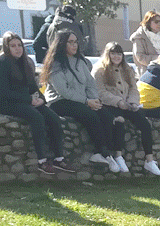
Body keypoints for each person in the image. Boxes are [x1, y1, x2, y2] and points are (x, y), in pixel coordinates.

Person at [42, 29, 121, 173]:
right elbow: (64, 91)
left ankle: (106, 152)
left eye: (76, 42)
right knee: (89, 115)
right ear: (61, 44)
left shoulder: (80, 61)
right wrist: (86, 102)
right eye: (70, 42)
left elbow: (90, 83)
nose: (74, 45)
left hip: (82, 100)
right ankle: (102, 152)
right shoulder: (55, 64)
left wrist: (93, 99)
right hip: (60, 102)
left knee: (106, 115)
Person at [0, 31, 69, 176]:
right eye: (13, 46)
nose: (17, 48)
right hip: (8, 103)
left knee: (52, 117)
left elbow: (33, 87)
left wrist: (41, 99)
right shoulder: (1, 63)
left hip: (26, 101)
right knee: (37, 118)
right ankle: (42, 161)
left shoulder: (25, 62)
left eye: (19, 45)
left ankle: (59, 158)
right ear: (6, 47)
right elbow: (3, 91)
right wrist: (29, 100)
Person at [92, 42, 160, 175]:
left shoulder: (127, 70)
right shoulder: (99, 70)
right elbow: (100, 92)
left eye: (119, 53)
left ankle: (149, 160)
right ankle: (118, 156)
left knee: (145, 124)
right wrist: (118, 102)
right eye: (113, 53)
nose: (116, 56)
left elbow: (133, 88)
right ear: (108, 54)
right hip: (110, 105)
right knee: (119, 121)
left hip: (128, 105)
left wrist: (133, 102)